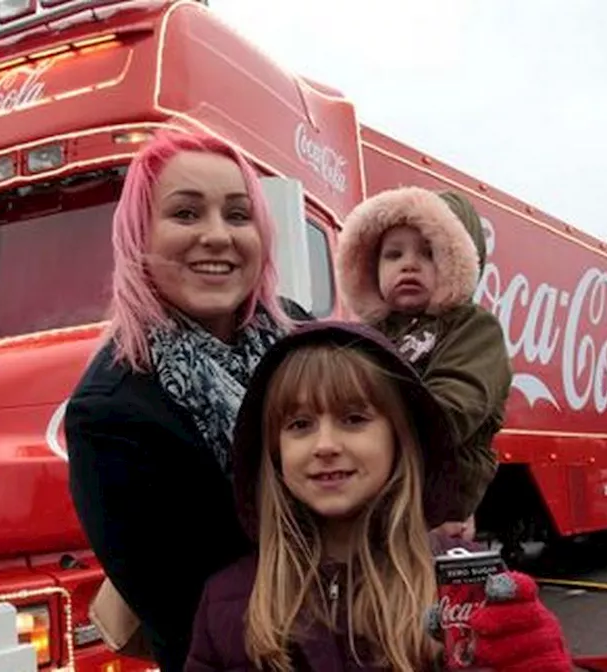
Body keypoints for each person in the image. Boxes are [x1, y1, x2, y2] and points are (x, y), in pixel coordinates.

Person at [184, 321, 570, 671]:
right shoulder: (227, 599)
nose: (325, 445)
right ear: (274, 453)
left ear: (399, 439)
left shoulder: (468, 583)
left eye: (354, 419)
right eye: (300, 425)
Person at [64, 130, 309, 672]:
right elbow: (187, 622)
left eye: (238, 215)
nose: (218, 236)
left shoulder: (304, 342)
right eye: (186, 214)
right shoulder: (110, 414)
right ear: (139, 236)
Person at [336, 186, 511, 540]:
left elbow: (450, 410)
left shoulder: (473, 328)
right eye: (392, 254)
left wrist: (358, 428)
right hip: (375, 504)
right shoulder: (363, 337)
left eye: (429, 252)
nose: (409, 264)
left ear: (460, 260)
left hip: (435, 508)